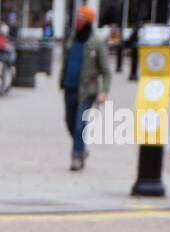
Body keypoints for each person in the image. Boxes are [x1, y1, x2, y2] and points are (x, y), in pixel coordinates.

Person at [59, 6, 111, 171]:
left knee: (79, 124)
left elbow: (106, 70)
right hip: (69, 87)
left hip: (87, 91)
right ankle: (81, 149)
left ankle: (76, 157)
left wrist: (104, 91)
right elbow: (66, 61)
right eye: (78, 18)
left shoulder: (96, 42)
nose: (79, 21)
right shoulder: (72, 38)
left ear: (89, 21)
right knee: (69, 121)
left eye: (82, 18)